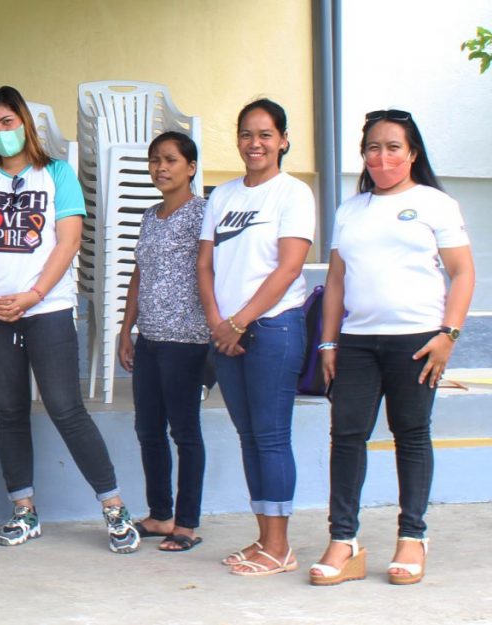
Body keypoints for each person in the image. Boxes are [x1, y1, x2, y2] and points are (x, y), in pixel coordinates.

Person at [0, 86, 140, 554]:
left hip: (48, 311)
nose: (1, 133)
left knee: (66, 409)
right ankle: (24, 512)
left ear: (25, 123)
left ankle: (115, 509)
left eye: (8, 122)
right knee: (11, 412)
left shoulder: (57, 174)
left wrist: (34, 294)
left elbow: (68, 241)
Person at [308, 110, 474, 586]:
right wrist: (328, 340)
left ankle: (412, 538)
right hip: (357, 343)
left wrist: (449, 335)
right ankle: (344, 540)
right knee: (347, 436)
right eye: (373, 148)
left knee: (412, 435)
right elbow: (336, 280)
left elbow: (462, 273)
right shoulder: (350, 209)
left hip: (419, 342)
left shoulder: (435, 204)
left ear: (412, 153)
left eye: (393, 147)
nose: (382, 157)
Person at [196, 98, 315, 575]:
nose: (255, 143)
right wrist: (216, 322)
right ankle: (264, 537)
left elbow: (289, 268)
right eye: (247, 134)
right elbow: (205, 264)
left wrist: (240, 321)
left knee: (270, 437)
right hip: (227, 331)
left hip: (272, 328)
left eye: (266, 134)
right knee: (249, 437)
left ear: (283, 140)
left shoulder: (293, 194)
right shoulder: (222, 196)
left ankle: (281, 546)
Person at [118, 131, 209, 552]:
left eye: (171, 160)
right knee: (148, 429)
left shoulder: (204, 214)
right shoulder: (149, 216)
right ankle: (160, 515)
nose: (161, 168)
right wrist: (126, 329)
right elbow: (139, 274)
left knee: (185, 432)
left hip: (187, 340)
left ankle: (186, 524)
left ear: (190, 167)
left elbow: (214, 272)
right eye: (155, 160)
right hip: (150, 337)